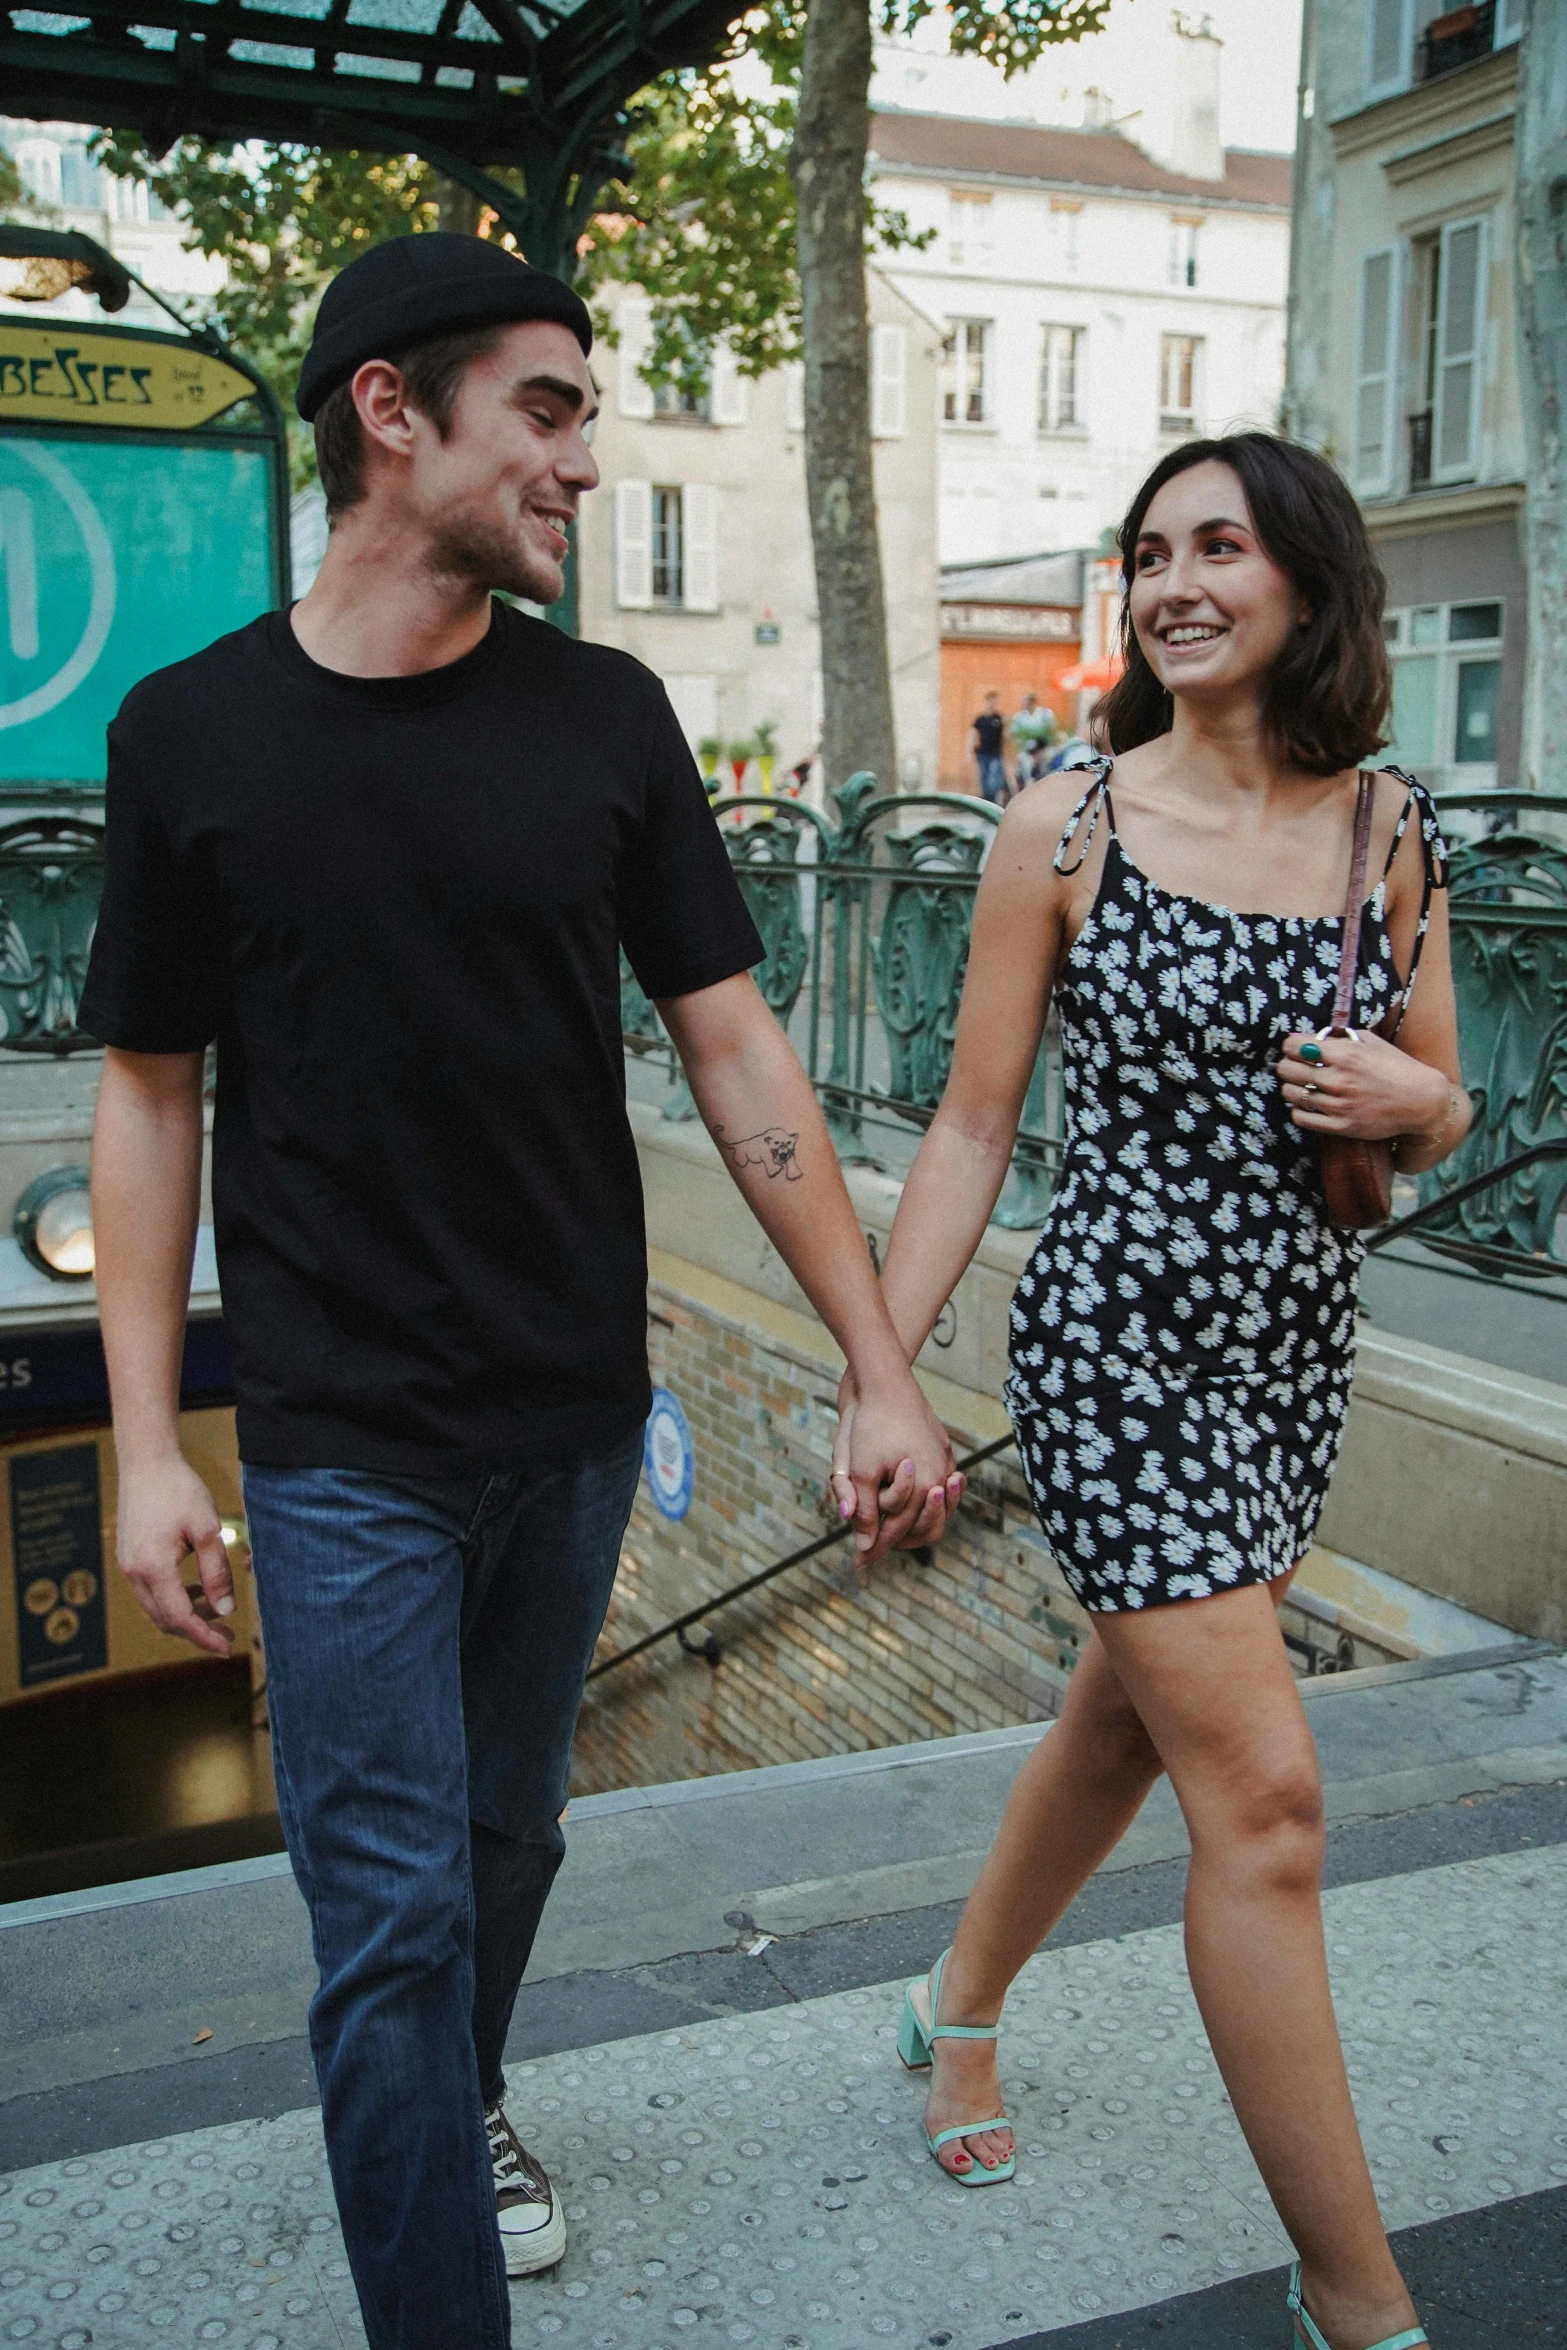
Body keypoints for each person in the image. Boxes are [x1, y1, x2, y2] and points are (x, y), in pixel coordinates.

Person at [81, 232, 962, 2350]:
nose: (583, 457)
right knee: (381, 1913)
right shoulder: (187, 733)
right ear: (397, 411)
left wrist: (874, 1358)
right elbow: (146, 1096)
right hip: (339, 1438)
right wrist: (137, 1447)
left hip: (574, 1412)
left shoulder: (607, 712)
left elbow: (739, 1050)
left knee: (506, 1837)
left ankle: (452, 2098)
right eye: (549, 409)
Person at [858, 434, 1469, 2350]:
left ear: (1306, 582)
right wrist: (884, 1370)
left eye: (1219, 545)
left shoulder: (1389, 828)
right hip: (1117, 1351)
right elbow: (970, 1126)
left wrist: (1416, 1103)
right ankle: (1357, 2297)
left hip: (1291, 1352)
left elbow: (1444, 1096)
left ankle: (952, 2005)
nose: (1175, 581)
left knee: (1119, 1731)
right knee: (1265, 1801)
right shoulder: (1064, 825)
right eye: (1147, 553)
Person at [1008, 690, 1057, 789]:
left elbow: (1052, 731)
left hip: (1043, 749)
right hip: (1027, 750)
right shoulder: (1019, 717)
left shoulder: (1046, 714)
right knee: (1026, 770)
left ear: (1033, 702)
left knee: (1047, 769)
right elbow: (1013, 733)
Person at [971, 690, 1007, 802]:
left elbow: (1005, 736)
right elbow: (973, 734)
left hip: (995, 754)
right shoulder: (980, 719)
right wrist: (969, 751)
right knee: (984, 780)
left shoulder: (999, 719)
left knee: (993, 780)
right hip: (982, 753)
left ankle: (992, 801)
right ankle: (985, 801)